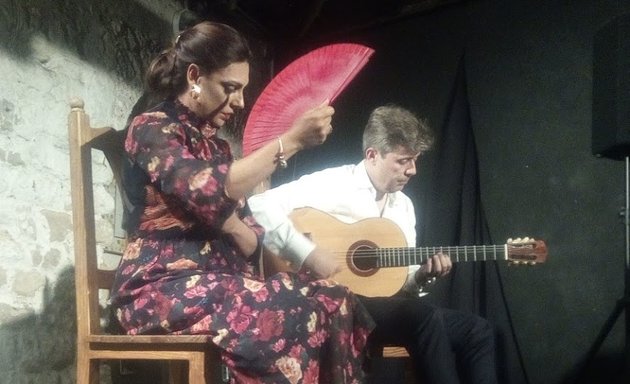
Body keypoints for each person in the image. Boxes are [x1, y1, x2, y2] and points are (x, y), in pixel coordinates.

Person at [109, 21, 375, 383]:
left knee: (334, 297)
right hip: (157, 287)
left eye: (242, 90)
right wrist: (289, 142)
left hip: (219, 280)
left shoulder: (217, 148)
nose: (240, 102)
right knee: (287, 309)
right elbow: (206, 190)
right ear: (194, 76)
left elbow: (245, 230)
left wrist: (231, 220)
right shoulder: (151, 128)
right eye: (231, 88)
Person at [248, 104, 498, 384]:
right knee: (425, 318)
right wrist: (307, 252)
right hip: (328, 303)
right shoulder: (334, 183)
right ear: (372, 155)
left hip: (381, 308)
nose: (412, 170)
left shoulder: (404, 205)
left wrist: (423, 276)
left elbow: (401, 284)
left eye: (415, 160)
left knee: (478, 330)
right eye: (403, 160)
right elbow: (258, 204)